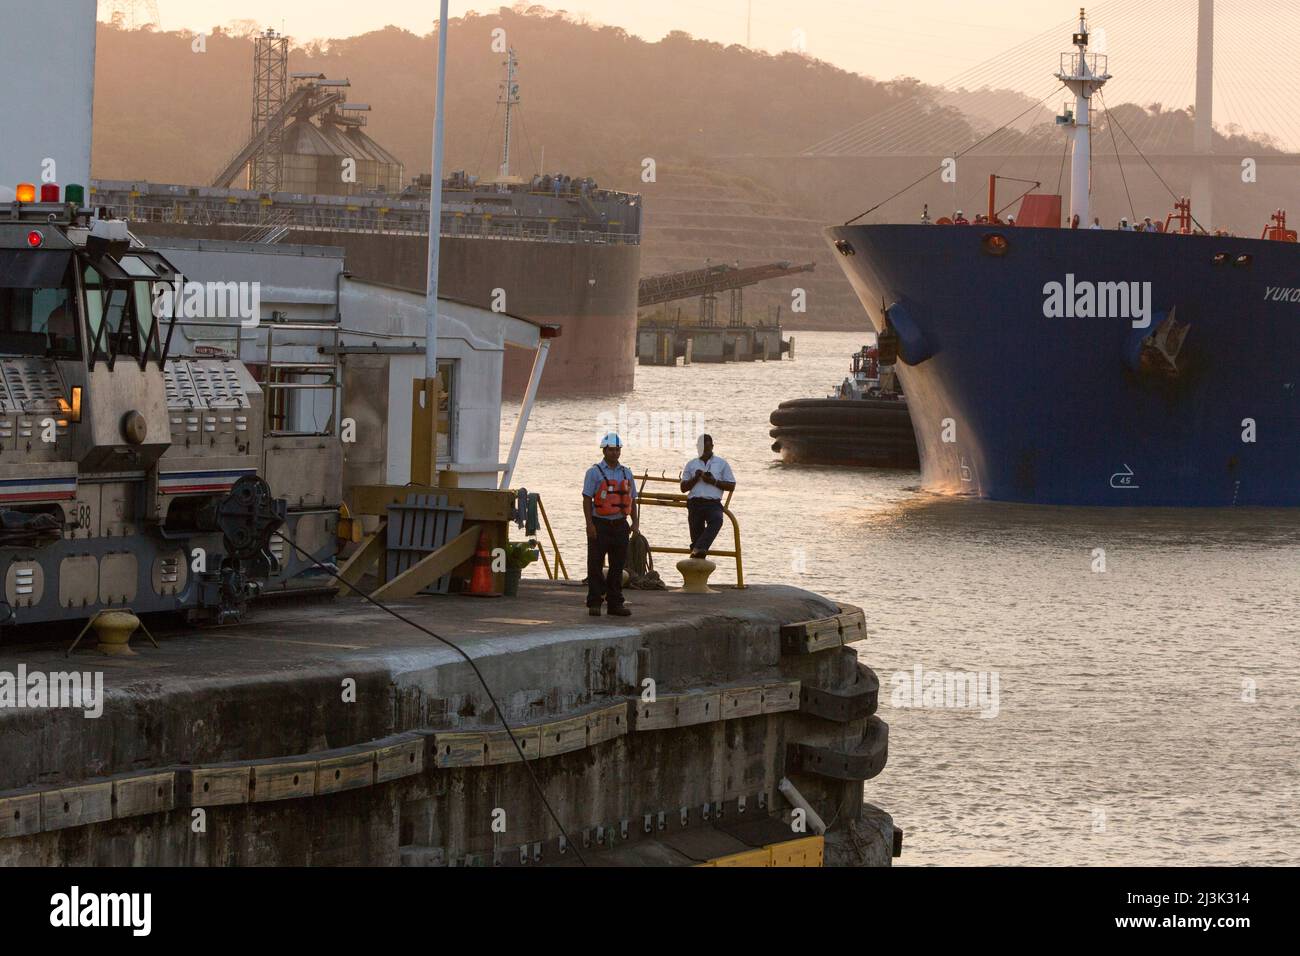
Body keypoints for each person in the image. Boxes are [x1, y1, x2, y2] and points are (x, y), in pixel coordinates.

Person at [583, 432, 638, 616]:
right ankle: (595, 602)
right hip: (600, 524)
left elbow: (632, 500)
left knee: (617, 566)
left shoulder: (626, 473)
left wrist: (635, 523)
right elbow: (587, 498)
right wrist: (589, 524)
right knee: (595, 564)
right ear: (604, 451)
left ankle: (615, 603)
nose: (614, 453)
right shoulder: (594, 472)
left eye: (617, 450)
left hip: (620, 524)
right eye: (611, 450)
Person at [680, 434, 736, 559]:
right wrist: (696, 477)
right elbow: (683, 488)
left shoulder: (722, 464)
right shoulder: (691, 464)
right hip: (695, 503)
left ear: (712, 446)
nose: (705, 451)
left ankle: (697, 548)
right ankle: (698, 549)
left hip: (713, 503)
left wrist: (713, 481)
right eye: (702, 448)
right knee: (696, 537)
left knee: (717, 520)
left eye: (707, 447)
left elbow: (732, 485)